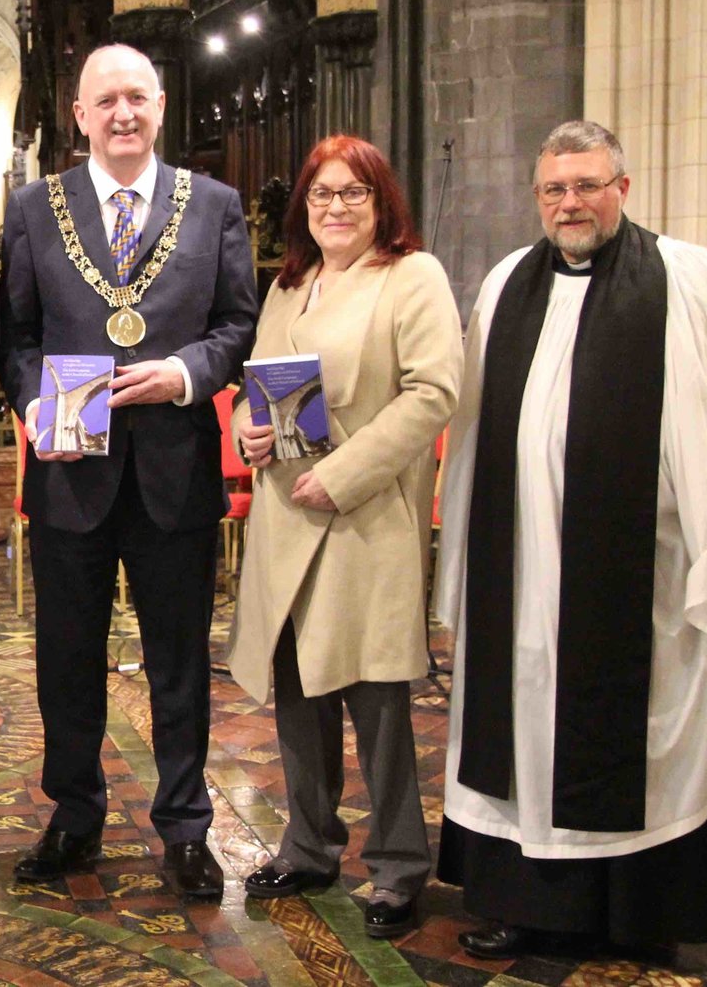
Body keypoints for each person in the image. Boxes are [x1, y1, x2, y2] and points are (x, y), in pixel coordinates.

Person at [435, 120, 707, 959]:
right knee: (520, 730)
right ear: (537, 195)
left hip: (637, 566)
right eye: (554, 188)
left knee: (639, 729)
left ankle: (642, 916)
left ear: (623, 186)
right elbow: (473, 426)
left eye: (587, 184)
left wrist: (674, 511)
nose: (570, 202)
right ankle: (523, 902)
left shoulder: (691, 280)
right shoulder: (507, 282)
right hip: (517, 565)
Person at [0, 43, 257, 899]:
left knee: (178, 658)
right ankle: (74, 815)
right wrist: (38, 406)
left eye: (137, 98)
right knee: (66, 657)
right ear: (78, 115)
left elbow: (235, 324)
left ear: (160, 107)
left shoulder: (212, 204)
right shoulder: (37, 209)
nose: (123, 115)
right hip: (71, 471)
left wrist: (183, 374)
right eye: (105, 101)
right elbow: (18, 338)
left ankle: (186, 827)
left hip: (174, 468)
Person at [228, 136, 461, 939]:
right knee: (298, 694)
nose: (335, 208)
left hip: (361, 518)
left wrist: (347, 472)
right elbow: (254, 389)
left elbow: (434, 393)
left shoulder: (411, 276)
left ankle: (398, 866)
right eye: (322, 195)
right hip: (287, 514)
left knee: (377, 700)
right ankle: (310, 843)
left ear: (380, 201)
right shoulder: (289, 286)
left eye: (352, 194)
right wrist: (248, 430)